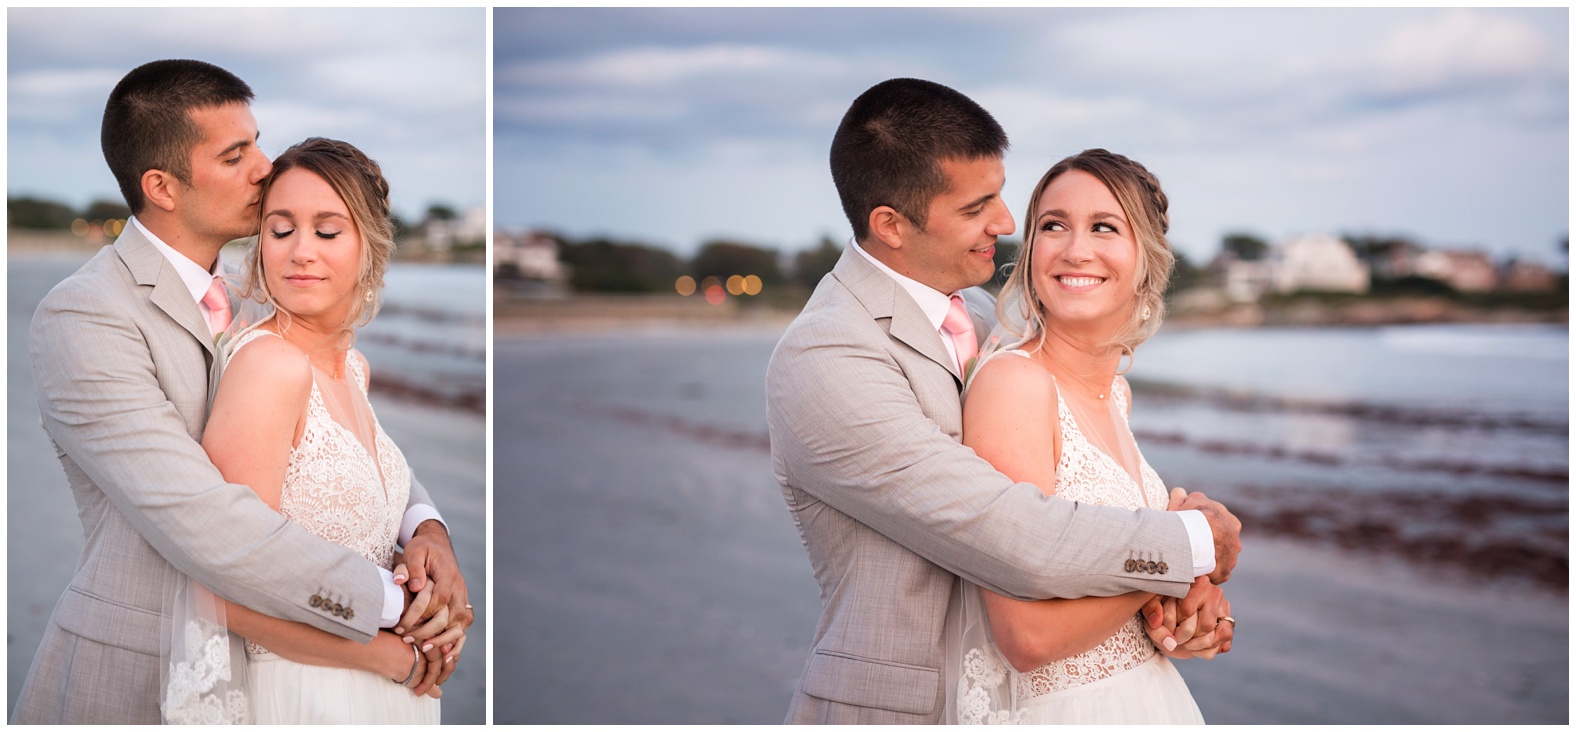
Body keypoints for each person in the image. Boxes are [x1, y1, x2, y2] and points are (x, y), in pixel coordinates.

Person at [765, 77, 1240, 724]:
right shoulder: (826, 358)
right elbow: (1004, 527)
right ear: (891, 225)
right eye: (975, 207)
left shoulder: (991, 319)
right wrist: (1187, 546)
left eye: (1002, 195)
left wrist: (1185, 593)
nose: (1006, 223)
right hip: (908, 711)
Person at [13, 59, 470, 724]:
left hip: (292, 669)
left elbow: (351, 446)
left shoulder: (261, 303)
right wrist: (400, 611)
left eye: (257, 141)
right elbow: (205, 519)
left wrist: (426, 531)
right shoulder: (85, 316)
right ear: (163, 187)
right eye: (236, 154)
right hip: (143, 675)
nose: (263, 167)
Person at [953, 149, 1226, 723]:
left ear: (1146, 262)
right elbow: (1025, 634)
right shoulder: (1015, 386)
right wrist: (1184, 555)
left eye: (1104, 227)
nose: (1075, 249)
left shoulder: (1117, 395)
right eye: (1053, 226)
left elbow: (1117, 577)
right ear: (1030, 254)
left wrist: (1189, 612)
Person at [194, 136, 461, 723]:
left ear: (370, 246)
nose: (300, 252)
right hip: (307, 697)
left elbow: (346, 531)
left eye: (327, 230)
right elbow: (220, 593)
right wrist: (387, 657)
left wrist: (426, 547)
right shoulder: (269, 366)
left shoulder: (353, 367)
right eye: (281, 229)